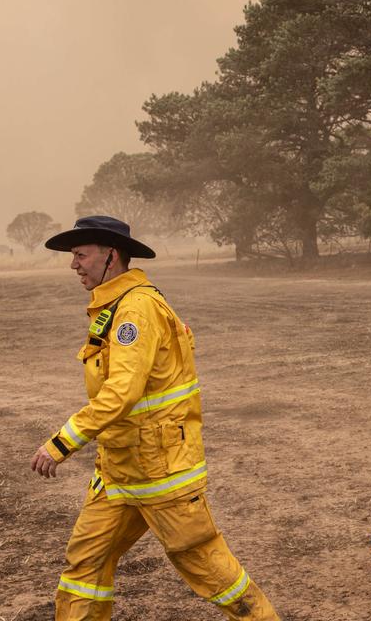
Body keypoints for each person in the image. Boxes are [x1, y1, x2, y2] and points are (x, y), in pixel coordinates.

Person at [30, 216, 280, 619]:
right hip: (119, 471)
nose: (73, 265)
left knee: (207, 566)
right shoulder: (115, 306)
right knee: (84, 566)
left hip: (161, 470)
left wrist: (63, 442)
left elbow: (121, 392)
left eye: (81, 255)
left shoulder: (135, 310)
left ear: (111, 256)